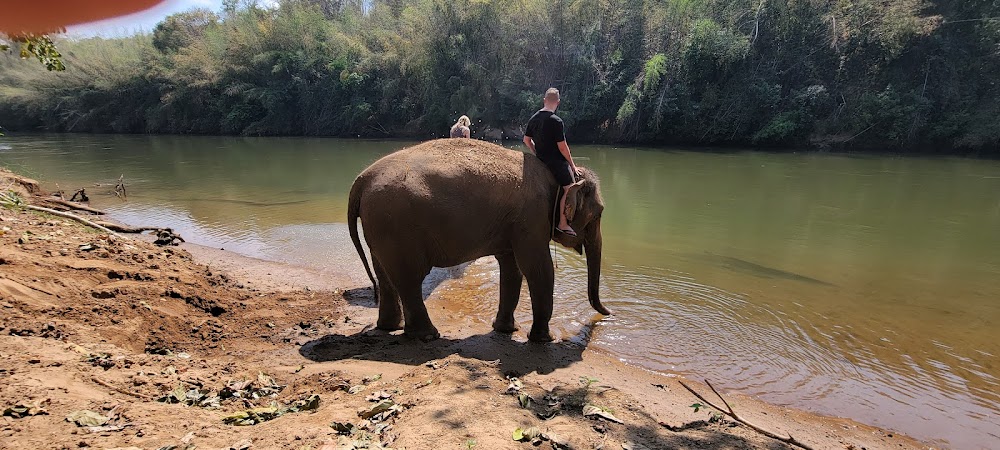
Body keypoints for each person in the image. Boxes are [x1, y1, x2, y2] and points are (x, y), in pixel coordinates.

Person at [523, 87, 582, 237]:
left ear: (544, 100)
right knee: (569, 188)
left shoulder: (534, 118)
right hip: (556, 163)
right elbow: (562, 147)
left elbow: (526, 140)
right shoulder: (556, 121)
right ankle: (562, 224)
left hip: (541, 160)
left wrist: (535, 151)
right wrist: (572, 165)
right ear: (558, 102)